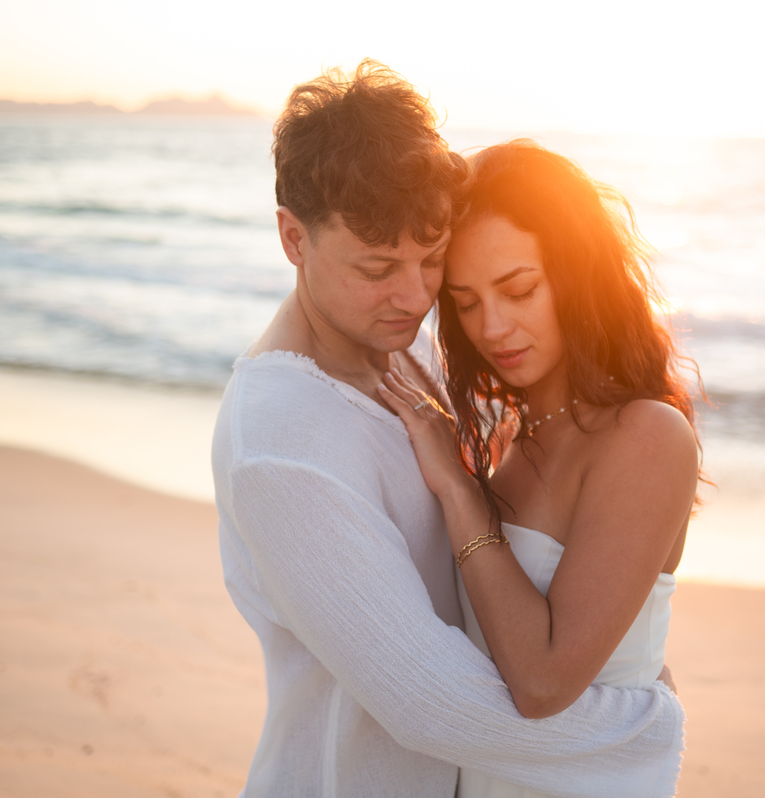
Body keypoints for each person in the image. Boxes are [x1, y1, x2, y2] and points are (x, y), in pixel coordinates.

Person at [213, 61, 684, 797]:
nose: (414, 298)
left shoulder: (406, 357)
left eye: (431, 260)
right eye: (376, 268)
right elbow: (431, 705)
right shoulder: (280, 444)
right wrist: (648, 726)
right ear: (293, 239)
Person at [378, 141, 699, 797]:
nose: (492, 327)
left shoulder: (646, 436)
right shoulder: (508, 439)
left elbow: (543, 682)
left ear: (577, 274)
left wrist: (459, 493)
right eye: (465, 302)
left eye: (519, 289)